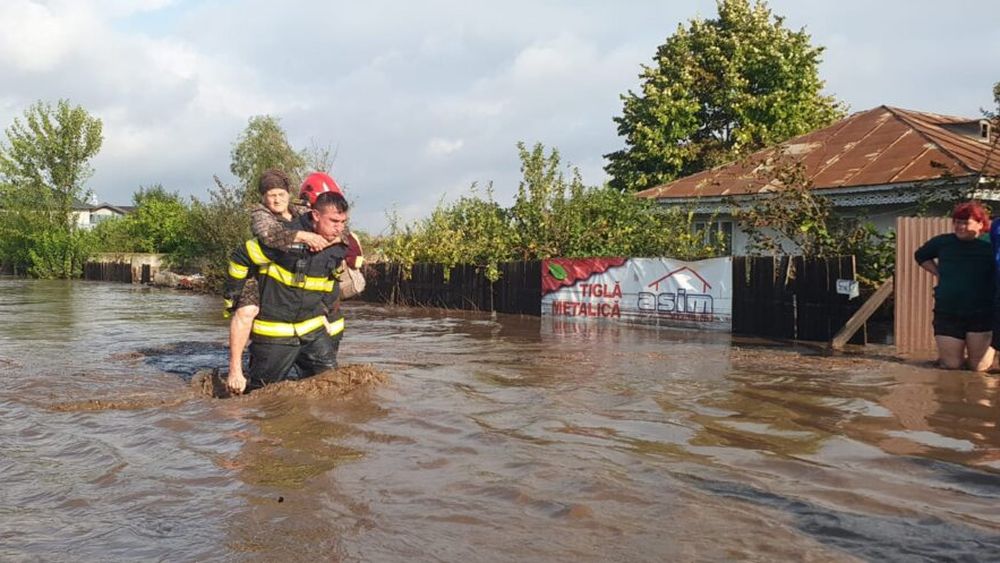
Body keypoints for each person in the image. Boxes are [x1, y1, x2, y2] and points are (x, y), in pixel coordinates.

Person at [223, 191, 352, 393]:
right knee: (261, 397)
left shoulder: (337, 246)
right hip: (276, 332)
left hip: (312, 330)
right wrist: (235, 295)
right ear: (316, 215)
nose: (340, 228)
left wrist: (325, 311)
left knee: (333, 389)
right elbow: (240, 257)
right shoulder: (283, 239)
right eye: (334, 221)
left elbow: (331, 281)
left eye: (343, 222)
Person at [914, 201, 994, 371]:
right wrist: (937, 273)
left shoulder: (992, 243)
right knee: (952, 366)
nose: (960, 227)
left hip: (983, 312)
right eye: (957, 222)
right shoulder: (943, 242)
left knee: (978, 368)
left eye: (965, 222)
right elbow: (921, 256)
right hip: (948, 310)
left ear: (980, 224)